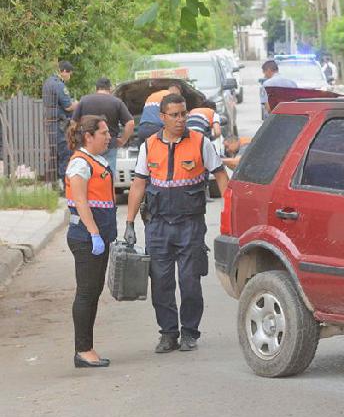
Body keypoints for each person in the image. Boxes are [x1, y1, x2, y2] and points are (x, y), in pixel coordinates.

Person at [124, 93, 229, 353]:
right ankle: (168, 333)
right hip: (157, 226)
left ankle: (190, 332)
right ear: (163, 118)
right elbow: (138, 185)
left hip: (190, 225)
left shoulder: (201, 142)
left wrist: (232, 213)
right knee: (161, 282)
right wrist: (129, 223)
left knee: (190, 280)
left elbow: (221, 176)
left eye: (183, 114)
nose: (181, 119)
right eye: (175, 115)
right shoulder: (149, 145)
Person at [64, 115, 116, 368]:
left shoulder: (95, 161)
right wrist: (94, 232)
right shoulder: (80, 164)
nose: (108, 137)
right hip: (86, 238)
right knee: (86, 293)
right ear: (88, 137)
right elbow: (80, 201)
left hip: (96, 237)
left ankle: (87, 348)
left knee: (93, 292)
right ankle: (82, 350)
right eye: (104, 133)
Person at [72, 77, 134, 177]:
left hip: (89, 144)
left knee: (87, 175)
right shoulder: (116, 102)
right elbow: (130, 123)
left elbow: (73, 123)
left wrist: (77, 140)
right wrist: (123, 140)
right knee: (107, 176)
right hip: (109, 144)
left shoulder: (84, 100)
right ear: (110, 88)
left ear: (96, 88)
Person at [43, 60, 77, 186]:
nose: (69, 76)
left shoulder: (48, 82)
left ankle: (54, 183)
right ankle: (64, 184)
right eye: (69, 74)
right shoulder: (59, 85)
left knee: (54, 154)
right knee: (65, 153)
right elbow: (68, 107)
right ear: (63, 71)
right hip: (59, 125)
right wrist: (79, 104)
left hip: (50, 123)